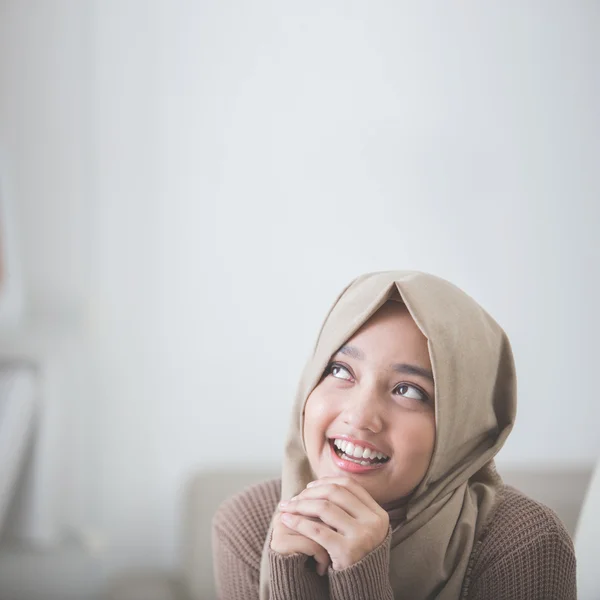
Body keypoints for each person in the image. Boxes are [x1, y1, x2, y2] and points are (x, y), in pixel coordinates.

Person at [212, 270, 576, 599]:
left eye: (409, 390)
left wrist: (361, 580)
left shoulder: (524, 544)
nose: (359, 417)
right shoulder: (249, 524)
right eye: (340, 370)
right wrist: (292, 578)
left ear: (463, 427)